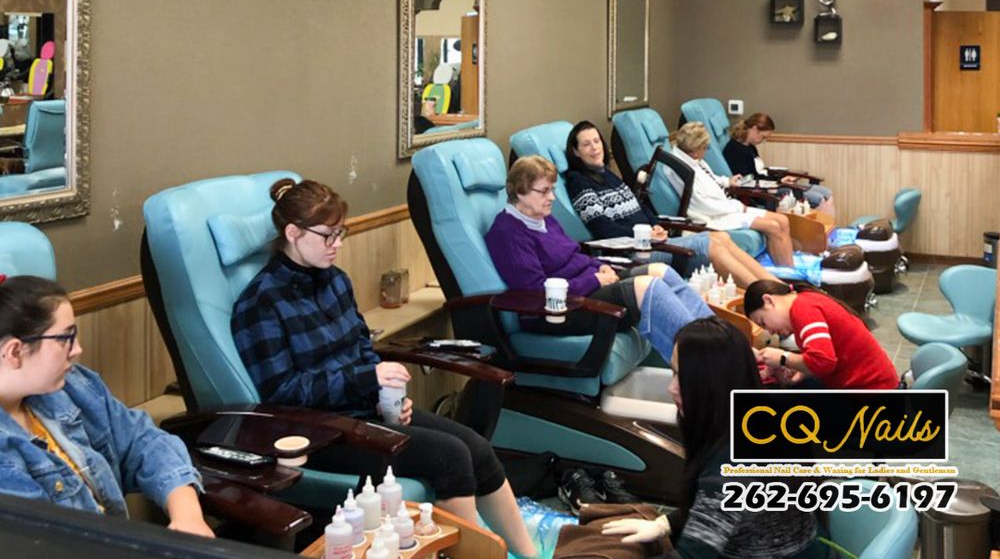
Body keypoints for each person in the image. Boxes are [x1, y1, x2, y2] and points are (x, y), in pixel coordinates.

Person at [230, 178, 537, 559]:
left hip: (365, 410)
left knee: (475, 446)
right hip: (318, 431)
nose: (337, 244)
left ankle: (529, 555)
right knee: (451, 456)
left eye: (341, 233)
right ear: (293, 233)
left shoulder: (335, 281)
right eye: (328, 236)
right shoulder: (261, 303)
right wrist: (367, 379)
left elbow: (362, 347)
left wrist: (386, 396)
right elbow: (283, 392)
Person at [0, 274, 212, 535]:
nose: (77, 349)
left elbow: (143, 441)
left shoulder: (72, 386)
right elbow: (44, 543)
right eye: (65, 339)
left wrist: (188, 516)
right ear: (15, 352)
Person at [597, 317, 823, 559]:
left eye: (681, 377)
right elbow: (713, 509)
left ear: (712, 382)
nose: (671, 388)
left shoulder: (730, 466)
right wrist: (665, 524)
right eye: (673, 373)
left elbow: (690, 555)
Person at [485, 156, 713, 357]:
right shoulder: (507, 233)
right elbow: (535, 292)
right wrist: (593, 280)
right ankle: (701, 357)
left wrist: (598, 266)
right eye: (544, 191)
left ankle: (716, 336)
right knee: (646, 287)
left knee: (661, 271)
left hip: (585, 288)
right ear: (520, 191)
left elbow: (574, 254)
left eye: (552, 189)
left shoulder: (543, 218)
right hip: (558, 310)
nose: (552, 197)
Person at [564, 121, 776, 289]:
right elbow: (602, 228)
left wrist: (655, 224)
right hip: (632, 252)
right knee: (713, 246)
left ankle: (776, 287)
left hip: (649, 241)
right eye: (586, 144)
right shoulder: (579, 182)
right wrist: (645, 234)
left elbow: (639, 207)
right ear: (576, 152)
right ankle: (764, 294)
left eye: (597, 141)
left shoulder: (608, 175)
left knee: (721, 237)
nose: (594, 147)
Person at [670, 122, 794, 267]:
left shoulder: (693, 160)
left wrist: (727, 181)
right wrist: (737, 207)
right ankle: (787, 271)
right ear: (696, 150)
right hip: (714, 216)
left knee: (783, 220)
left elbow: (710, 177)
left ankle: (789, 269)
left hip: (725, 208)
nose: (706, 151)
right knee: (773, 226)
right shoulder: (680, 170)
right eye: (705, 148)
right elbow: (702, 205)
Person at [744, 279, 898, 390]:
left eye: (763, 322)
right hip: (876, 386)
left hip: (873, 394)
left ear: (769, 301)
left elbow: (823, 362)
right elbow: (824, 358)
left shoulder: (803, 310)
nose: (770, 331)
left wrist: (783, 358)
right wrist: (801, 371)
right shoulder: (806, 299)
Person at [723, 114, 835, 218]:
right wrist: (778, 182)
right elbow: (749, 180)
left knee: (827, 193)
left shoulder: (750, 147)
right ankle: (819, 231)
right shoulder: (734, 150)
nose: (763, 141)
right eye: (763, 137)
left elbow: (759, 173)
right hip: (761, 193)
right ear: (754, 129)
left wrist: (780, 179)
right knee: (818, 199)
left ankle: (830, 231)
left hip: (769, 185)